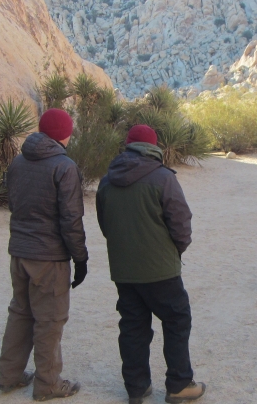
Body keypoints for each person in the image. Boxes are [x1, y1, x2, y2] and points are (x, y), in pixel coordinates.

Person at [96, 125, 206, 404]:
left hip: (124, 269)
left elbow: (105, 223)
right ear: (154, 146)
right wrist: (173, 251)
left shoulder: (107, 180)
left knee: (132, 325)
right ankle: (179, 384)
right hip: (161, 269)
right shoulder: (162, 177)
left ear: (128, 145)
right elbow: (181, 223)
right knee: (177, 320)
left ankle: (136, 388)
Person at [0, 108, 88, 401]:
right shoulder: (64, 166)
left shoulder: (18, 162)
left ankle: (9, 376)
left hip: (20, 251)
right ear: (66, 133)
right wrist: (80, 257)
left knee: (20, 312)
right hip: (49, 256)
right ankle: (48, 384)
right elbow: (71, 219)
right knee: (49, 320)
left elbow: (14, 204)